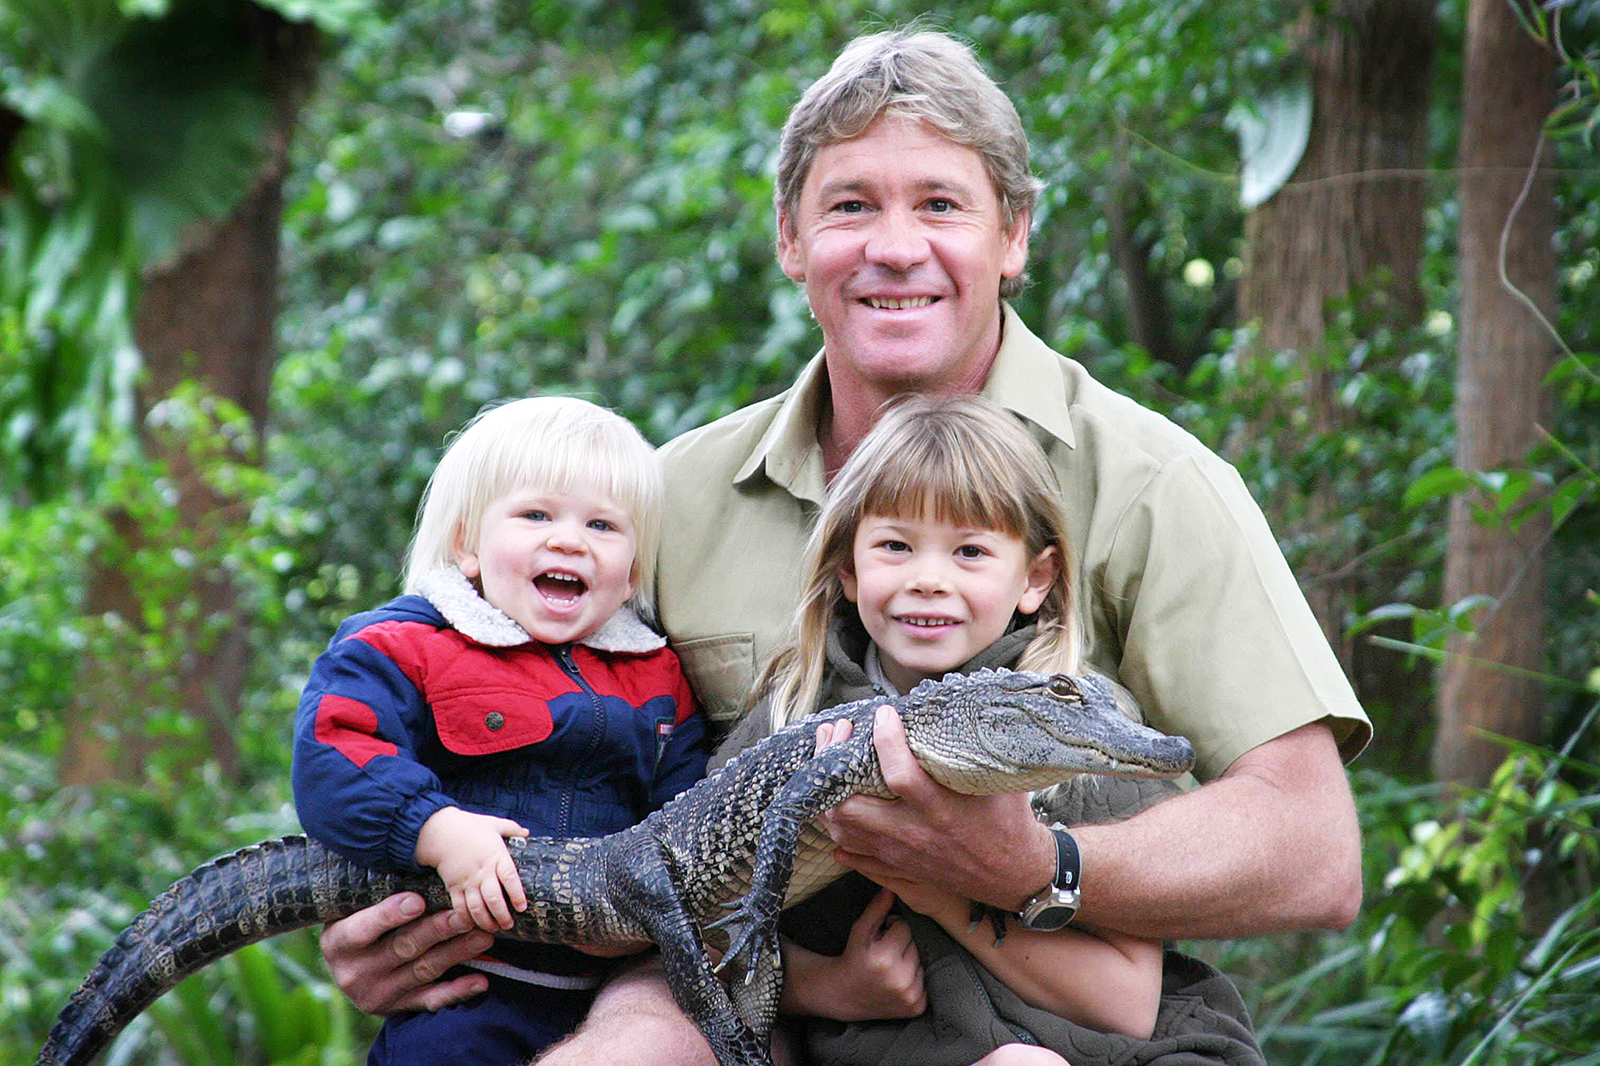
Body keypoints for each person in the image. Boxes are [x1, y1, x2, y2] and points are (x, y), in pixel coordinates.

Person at [316, 27, 1370, 1066]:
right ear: (790, 238)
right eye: (851, 205)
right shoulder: (665, 494)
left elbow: (1312, 851)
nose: (895, 247)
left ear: (1015, 236)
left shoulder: (1151, 482)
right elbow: (497, 731)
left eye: (942, 205)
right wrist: (407, 907)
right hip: (749, 975)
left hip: (1042, 1004)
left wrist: (1034, 863)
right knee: (630, 1036)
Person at [721, 393, 1172, 1065]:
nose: (929, 580)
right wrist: (827, 988)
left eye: (969, 551)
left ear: (1036, 578)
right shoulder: (792, 711)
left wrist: (940, 890)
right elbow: (696, 917)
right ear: (849, 568)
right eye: (896, 546)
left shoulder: (1081, 726)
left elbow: (1128, 1005)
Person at [291, 396, 707, 1066]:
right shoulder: (406, 644)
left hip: (613, 996)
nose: (569, 540)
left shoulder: (657, 674)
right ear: (467, 545)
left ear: (632, 571)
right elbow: (336, 753)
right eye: (536, 515)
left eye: (602, 525)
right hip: (465, 992)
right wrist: (438, 828)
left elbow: (688, 804)